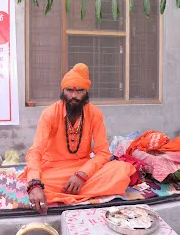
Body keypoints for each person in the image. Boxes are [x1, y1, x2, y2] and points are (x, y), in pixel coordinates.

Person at [20, 63, 136, 214]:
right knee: (38, 182)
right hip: (54, 169)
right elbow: (35, 151)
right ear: (63, 91)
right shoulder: (49, 114)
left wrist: (82, 174)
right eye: (69, 90)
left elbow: (103, 153)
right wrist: (35, 184)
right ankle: (75, 191)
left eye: (79, 91)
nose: (74, 96)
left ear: (86, 92)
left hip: (82, 168)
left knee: (121, 169)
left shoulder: (95, 114)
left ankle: (65, 192)